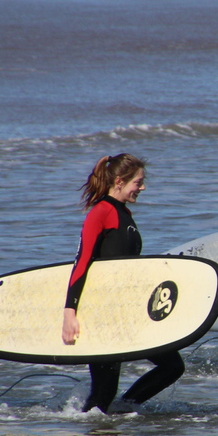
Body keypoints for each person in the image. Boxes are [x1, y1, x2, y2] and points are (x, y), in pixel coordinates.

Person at [62, 154, 185, 413]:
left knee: (172, 366)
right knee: (103, 392)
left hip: (128, 311)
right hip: (104, 314)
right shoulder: (101, 212)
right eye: (138, 183)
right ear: (119, 181)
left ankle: (123, 410)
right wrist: (69, 311)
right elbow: (81, 263)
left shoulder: (123, 213)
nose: (142, 188)